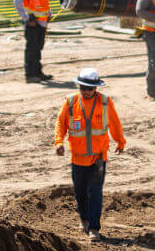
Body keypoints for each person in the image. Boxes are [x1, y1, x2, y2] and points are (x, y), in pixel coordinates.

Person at [54, 67, 126, 241]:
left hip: (98, 157)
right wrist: (58, 142)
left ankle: (94, 228)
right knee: (80, 192)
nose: (85, 91)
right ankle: (84, 219)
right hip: (78, 158)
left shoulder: (105, 103)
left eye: (89, 88)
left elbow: (115, 124)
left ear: (96, 88)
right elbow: (61, 124)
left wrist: (120, 141)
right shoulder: (70, 102)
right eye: (82, 87)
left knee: (95, 192)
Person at [14, 0, 53, 83]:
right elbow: (17, 1)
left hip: (41, 22)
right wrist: (26, 18)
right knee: (31, 49)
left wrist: (49, 13)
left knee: (38, 48)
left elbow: (44, 1)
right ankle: (30, 75)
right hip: (32, 23)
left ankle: (38, 72)